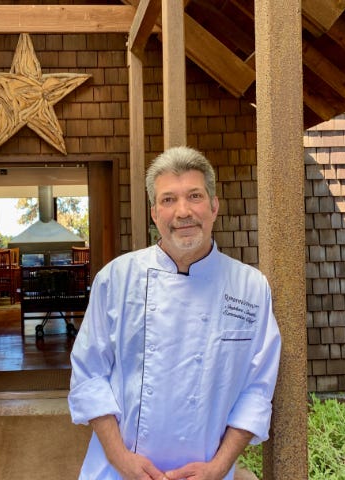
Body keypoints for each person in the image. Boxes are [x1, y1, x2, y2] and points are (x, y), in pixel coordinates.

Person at [68, 146, 281, 480]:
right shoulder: (116, 279)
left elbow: (257, 389)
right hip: (118, 471)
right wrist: (122, 459)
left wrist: (219, 467)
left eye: (194, 196)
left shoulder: (250, 287)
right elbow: (89, 375)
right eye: (168, 200)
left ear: (213, 206)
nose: (183, 211)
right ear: (155, 213)